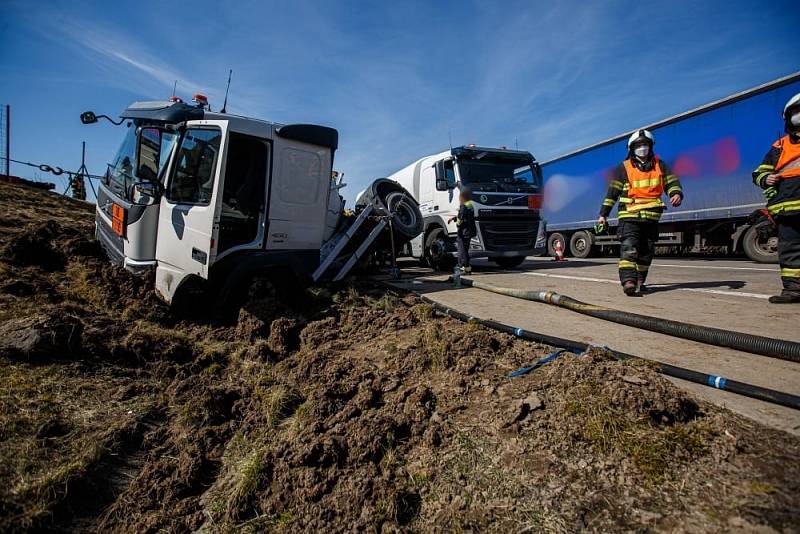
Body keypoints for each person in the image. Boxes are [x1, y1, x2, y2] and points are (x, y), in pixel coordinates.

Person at [597, 129, 683, 296]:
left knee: (646, 252)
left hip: (651, 217)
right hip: (629, 216)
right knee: (629, 248)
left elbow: (672, 182)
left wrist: (676, 193)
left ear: (650, 147)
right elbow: (612, 193)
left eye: (645, 145)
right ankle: (628, 281)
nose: (642, 148)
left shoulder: (661, 165)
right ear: (632, 148)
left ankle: (640, 280)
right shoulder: (623, 168)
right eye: (639, 145)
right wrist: (603, 215)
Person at [752, 92, 800, 304]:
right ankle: (793, 290)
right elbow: (759, 172)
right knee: (789, 249)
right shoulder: (779, 147)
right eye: (797, 113)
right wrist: (766, 178)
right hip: (787, 209)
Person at [448, 186, 476, 273]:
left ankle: (463, 266)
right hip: (470, 230)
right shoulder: (470, 205)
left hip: (463, 231)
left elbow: (461, 217)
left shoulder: (463, 205)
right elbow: (466, 216)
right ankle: (467, 268)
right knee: (465, 249)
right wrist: (454, 218)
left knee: (462, 249)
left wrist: (457, 224)